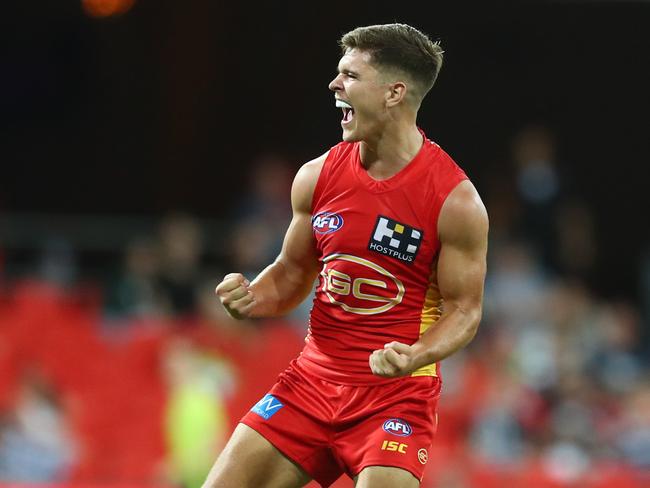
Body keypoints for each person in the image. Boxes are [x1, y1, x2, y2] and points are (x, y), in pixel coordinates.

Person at [205, 23, 489, 488]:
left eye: (350, 75)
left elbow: (465, 311)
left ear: (395, 93)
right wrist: (253, 297)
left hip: (395, 398)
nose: (334, 85)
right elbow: (292, 272)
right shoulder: (317, 176)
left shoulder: (455, 201)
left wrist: (416, 355)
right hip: (310, 383)